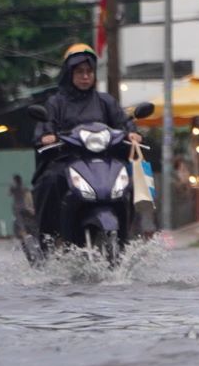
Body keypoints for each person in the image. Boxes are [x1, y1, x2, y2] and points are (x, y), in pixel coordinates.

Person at [32, 43, 141, 245]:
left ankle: (129, 235)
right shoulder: (56, 103)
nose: (85, 76)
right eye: (80, 71)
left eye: (89, 71)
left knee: (128, 183)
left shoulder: (106, 101)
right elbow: (45, 126)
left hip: (104, 162)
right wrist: (48, 136)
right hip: (67, 162)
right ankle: (47, 239)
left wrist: (132, 134)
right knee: (51, 180)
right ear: (69, 73)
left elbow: (123, 122)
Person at [8, 174, 34, 239]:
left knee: (20, 222)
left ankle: (24, 235)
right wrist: (30, 205)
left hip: (17, 207)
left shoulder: (13, 187)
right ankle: (27, 233)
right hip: (24, 206)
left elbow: (8, 194)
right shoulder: (24, 187)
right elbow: (29, 196)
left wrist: (10, 185)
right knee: (26, 221)